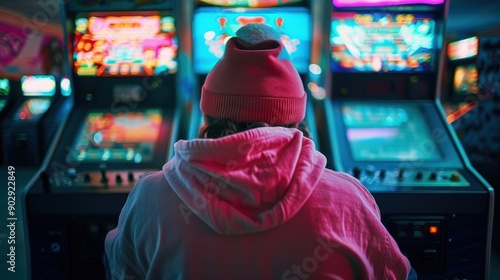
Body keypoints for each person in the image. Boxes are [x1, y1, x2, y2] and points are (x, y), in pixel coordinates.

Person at [105, 24, 412, 280]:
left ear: (207, 118)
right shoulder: (348, 200)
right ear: (297, 120)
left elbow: (120, 271)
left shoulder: (150, 197)